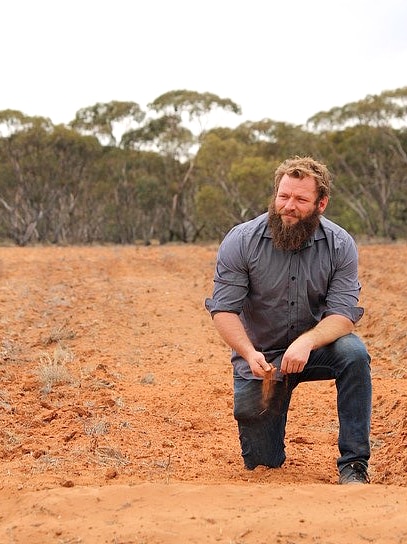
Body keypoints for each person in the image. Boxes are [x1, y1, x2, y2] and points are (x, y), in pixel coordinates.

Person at [205, 156, 372, 485]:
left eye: (300, 199)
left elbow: (343, 315)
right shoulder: (242, 240)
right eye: (283, 196)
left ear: (321, 203)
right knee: (262, 463)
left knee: (354, 355)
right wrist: (249, 352)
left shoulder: (340, 245)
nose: (289, 206)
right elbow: (224, 310)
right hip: (262, 361)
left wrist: (307, 341)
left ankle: (353, 465)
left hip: (313, 349)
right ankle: (267, 442)